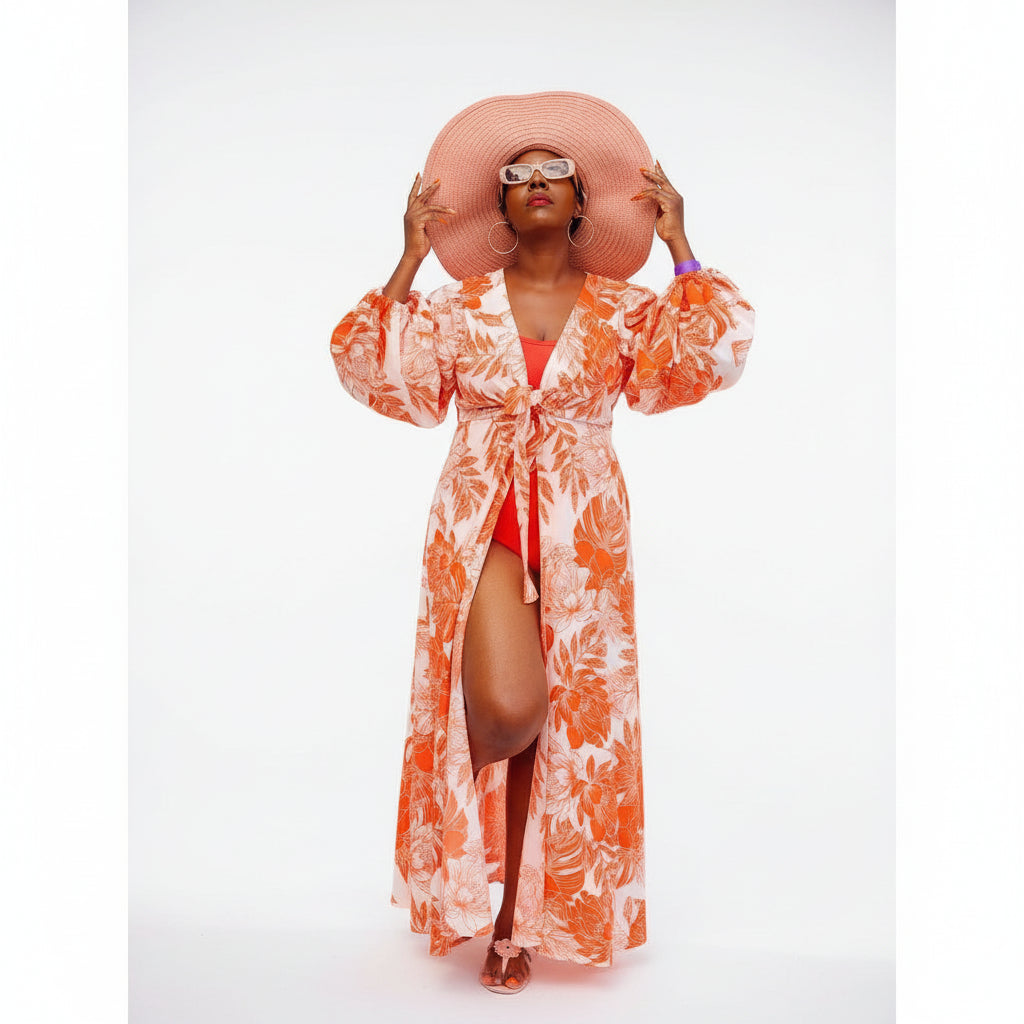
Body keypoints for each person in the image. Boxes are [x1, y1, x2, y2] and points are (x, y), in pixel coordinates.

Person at [329, 91, 755, 994]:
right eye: (515, 174)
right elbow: (380, 376)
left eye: (553, 171)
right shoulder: (457, 306)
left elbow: (706, 360)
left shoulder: (625, 309)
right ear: (499, 203)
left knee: (562, 726)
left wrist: (680, 244)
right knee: (509, 710)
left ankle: (514, 924)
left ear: (580, 199)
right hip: (480, 523)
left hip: (582, 533)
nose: (534, 182)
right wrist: (409, 257)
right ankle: (455, 832)